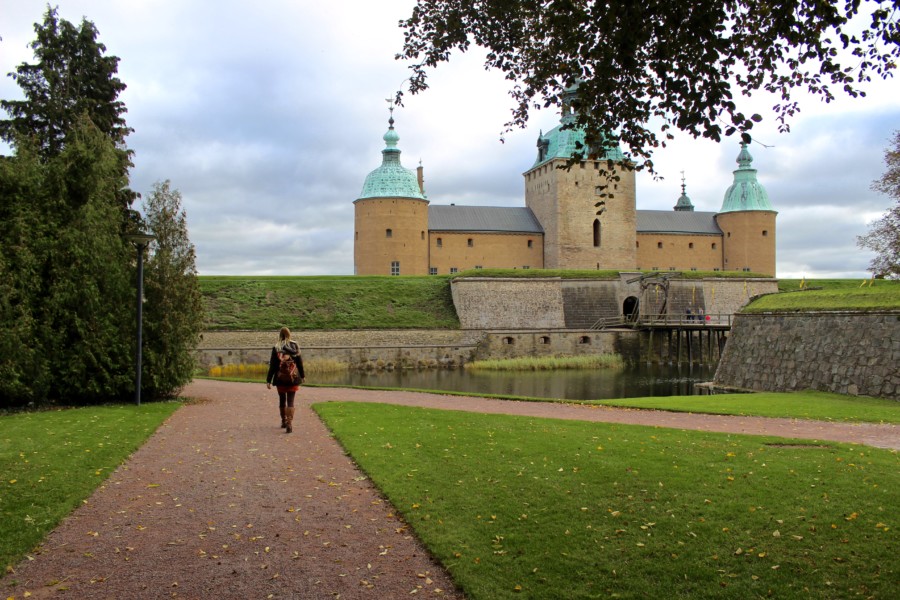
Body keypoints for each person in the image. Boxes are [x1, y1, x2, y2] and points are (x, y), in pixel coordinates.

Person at [266, 327, 305, 433]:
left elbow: (273, 366)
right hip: (293, 378)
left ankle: (283, 421)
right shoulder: (295, 345)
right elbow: (299, 363)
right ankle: (289, 423)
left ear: (280, 335)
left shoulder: (276, 347)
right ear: (289, 334)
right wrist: (302, 375)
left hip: (280, 379)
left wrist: (268, 380)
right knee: (291, 401)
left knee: (282, 400)